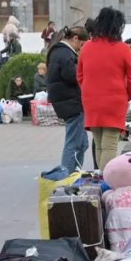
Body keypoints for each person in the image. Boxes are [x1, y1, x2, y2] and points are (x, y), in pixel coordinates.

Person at [77, 7, 131, 170]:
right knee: (110, 144)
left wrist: (88, 90)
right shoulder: (122, 48)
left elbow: (80, 75)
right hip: (114, 100)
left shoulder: (87, 47)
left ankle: (99, 175)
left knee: (98, 143)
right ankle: (106, 178)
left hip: (91, 100)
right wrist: (126, 94)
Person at [47, 26, 90, 171]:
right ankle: (67, 175)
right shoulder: (65, 53)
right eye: (82, 45)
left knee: (82, 143)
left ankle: (73, 172)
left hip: (66, 101)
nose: (81, 49)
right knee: (74, 143)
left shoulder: (58, 51)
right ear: (75, 38)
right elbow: (72, 75)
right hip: (71, 102)